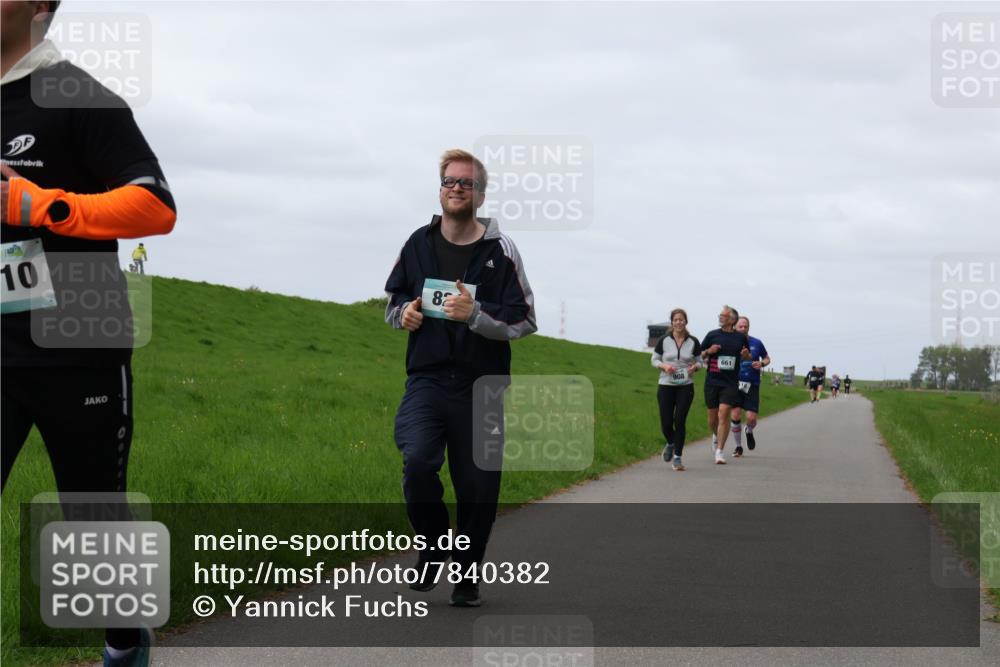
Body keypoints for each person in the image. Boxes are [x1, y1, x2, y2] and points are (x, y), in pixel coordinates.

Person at [2, 2, 176, 665]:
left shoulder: (76, 94)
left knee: (93, 521)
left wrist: (46, 205)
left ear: (39, 8)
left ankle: (125, 641)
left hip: (78, 349)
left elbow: (154, 205)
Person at [384, 149, 536, 607]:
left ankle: (467, 577)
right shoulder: (417, 243)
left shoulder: (501, 250)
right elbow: (393, 303)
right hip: (428, 380)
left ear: (480, 195)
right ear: (440, 190)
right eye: (449, 181)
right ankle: (433, 544)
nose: (456, 188)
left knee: (478, 489)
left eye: (466, 183)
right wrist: (405, 315)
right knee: (417, 461)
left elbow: (525, 319)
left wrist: (475, 314)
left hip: (482, 386)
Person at [651, 308, 701, 471]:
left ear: (686, 322)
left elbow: (700, 362)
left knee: (679, 421)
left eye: (681, 319)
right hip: (666, 385)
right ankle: (671, 443)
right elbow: (654, 359)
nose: (678, 322)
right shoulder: (664, 340)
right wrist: (664, 366)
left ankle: (678, 458)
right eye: (676, 320)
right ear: (672, 322)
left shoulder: (693, 341)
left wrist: (695, 367)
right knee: (666, 423)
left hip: (685, 386)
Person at [700, 305, 751, 464]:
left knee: (724, 414)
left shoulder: (740, 338)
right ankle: (716, 435)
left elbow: (747, 356)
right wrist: (708, 351)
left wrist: (746, 355)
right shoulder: (712, 335)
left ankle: (720, 451)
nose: (720, 317)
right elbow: (698, 355)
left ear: (732, 319)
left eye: (723, 315)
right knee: (712, 419)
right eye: (720, 315)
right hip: (712, 381)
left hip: (730, 383)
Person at [729, 316, 770, 457]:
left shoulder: (756, 342)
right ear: (735, 327)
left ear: (749, 327)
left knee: (751, 418)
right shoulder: (730, 342)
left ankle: (749, 430)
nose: (743, 328)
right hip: (734, 383)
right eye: (740, 326)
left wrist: (762, 363)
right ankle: (738, 447)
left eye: (745, 326)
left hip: (752, 384)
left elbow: (767, 358)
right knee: (735, 414)